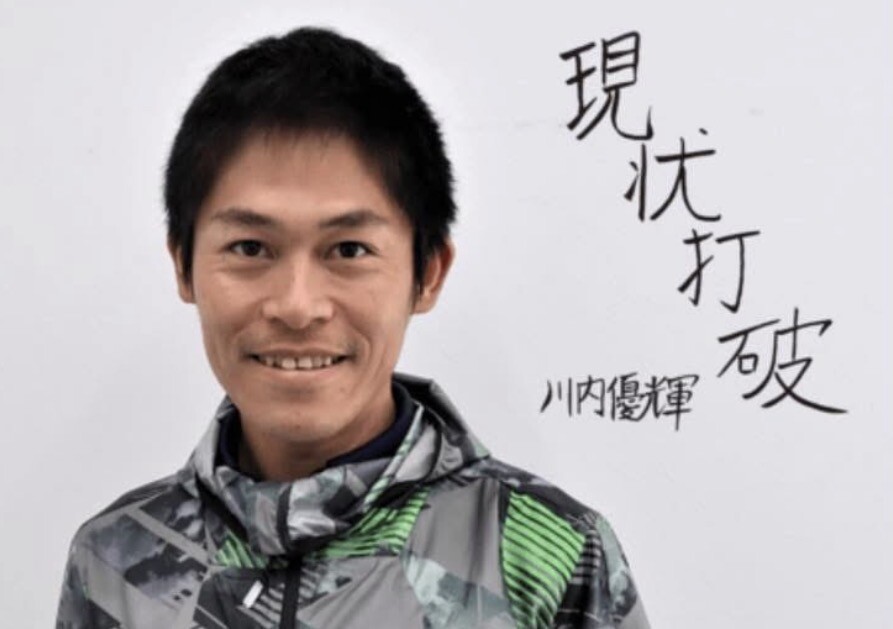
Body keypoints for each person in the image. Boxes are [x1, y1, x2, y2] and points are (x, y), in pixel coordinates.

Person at [56, 27, 650, 629]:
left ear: (428, 273)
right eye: (250, 247)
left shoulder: (550, 557)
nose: (297, 306)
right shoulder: (114, 560)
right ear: (183, 265)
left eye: (349, 250)